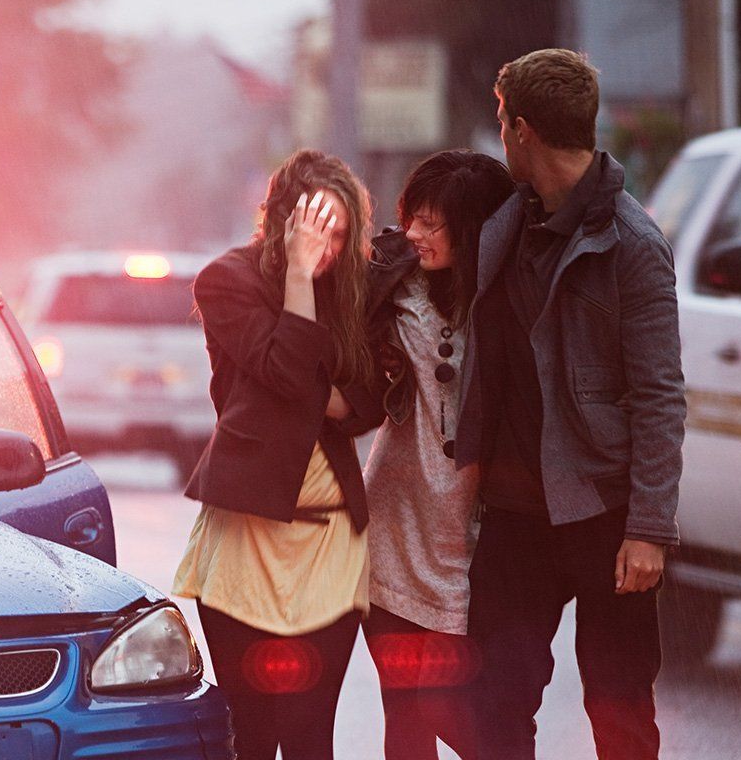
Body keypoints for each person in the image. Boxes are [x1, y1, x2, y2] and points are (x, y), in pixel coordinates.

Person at [456, 49, 685, 759]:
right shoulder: (506, 223)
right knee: (491, 703)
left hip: (605, 513)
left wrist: (649, 527)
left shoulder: (633, 245)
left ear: (523, 131)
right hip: (517, 517)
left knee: (618, 710)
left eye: (501, 122)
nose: (499, 137)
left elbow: (659, 394)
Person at [173, 149, 383, 760]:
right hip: (245, 535)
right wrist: (296, 278)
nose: (328, 252)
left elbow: (371, 401)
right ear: (283, 224)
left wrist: (287, 390)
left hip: (331, 542)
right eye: (316, 234)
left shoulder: (354, 286)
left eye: (340, 236)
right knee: (255, 733)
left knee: (311, 732)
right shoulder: (225, 280)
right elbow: (290, 373)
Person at [359, 150, 515, 760]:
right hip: (392, 532)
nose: (415, 235)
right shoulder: (390, 289)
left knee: (457, 707)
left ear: (474, 231)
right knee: (406, 710)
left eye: (432, 223)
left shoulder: (505, 307)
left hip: (471, 543)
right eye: (411, 219)